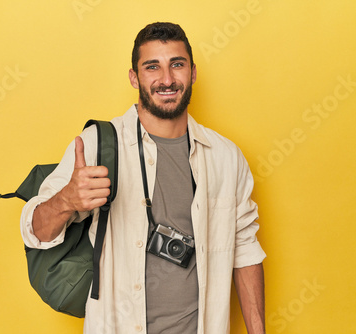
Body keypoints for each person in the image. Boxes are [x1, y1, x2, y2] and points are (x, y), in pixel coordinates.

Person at [21, 22, 266, 334]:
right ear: (134, 77)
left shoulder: (226, 156)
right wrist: (66, 201)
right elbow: (36, 234)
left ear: (192, 72)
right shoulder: (99, 143)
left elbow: (244, 248)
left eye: (177, 65)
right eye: (152, 67)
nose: (166, 79)